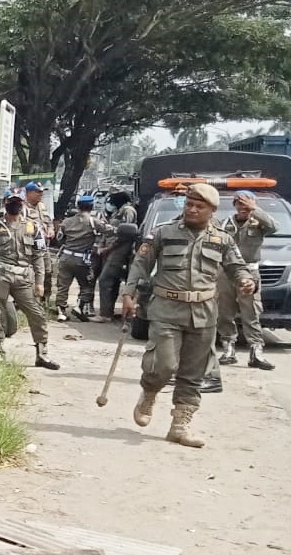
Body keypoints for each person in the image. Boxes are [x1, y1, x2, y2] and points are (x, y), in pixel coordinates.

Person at [121, 183, 254, 448]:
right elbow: (141, 264)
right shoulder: (164, 232)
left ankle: (180, 426)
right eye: (189, 204)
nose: (192, 209)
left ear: (212, 210)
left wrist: (246, 280)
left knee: (194, 374)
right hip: (166, 310)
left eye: (199, 206)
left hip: (204, 314)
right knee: (164, 365)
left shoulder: (222, 238)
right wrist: (129, 293)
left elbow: (237, 266)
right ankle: (149, 392)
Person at [0, 192, 59, 369]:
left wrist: (39, 281)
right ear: (5, 203)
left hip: (23, 275)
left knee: (36, 313)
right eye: (11, 202)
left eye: (17, 202)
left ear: (22, 204)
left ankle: (42, 354)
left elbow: (39, 255)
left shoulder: (32, 227)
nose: (14, 205)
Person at [217, 190, 277, 370]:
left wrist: (255, 209)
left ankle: (256, 352)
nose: (243, 208)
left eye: (247, 204)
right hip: (226, 272)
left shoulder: (259, 223)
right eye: (239, 203)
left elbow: (274, 226)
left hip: (250, 272)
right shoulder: (226, 224)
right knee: (224, 312)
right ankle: (228, 349)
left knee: (251, 311)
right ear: (234, 205)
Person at [55, 194, 105, 321]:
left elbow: (59, 238)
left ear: (78, 207)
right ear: (91, 206)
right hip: (82, 260)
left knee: (63, 286)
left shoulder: (66, 222)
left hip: (65, 257)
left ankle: (61, 312)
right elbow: (110, 231)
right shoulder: (94, 222)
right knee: (87, 284)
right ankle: (79, 306)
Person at [95, 221, 142, 322]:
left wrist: (105, 249)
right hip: (124, 263)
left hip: (120, 261)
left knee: (105, 281)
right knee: (113, 283)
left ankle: (105, 314)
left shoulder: (125, 239)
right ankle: (109, 312)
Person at [21, 182, 54, 305]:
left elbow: (49, 221)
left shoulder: (42, 206)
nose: (41, 194)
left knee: (48, 271)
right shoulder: (22, 208)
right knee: (32, 273)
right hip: (30, 247)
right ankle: (31, 299)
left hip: (44, 246)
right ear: (29, 193)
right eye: (38, 192)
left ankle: (45, 298)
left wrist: (50, 230)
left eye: (42, 191)